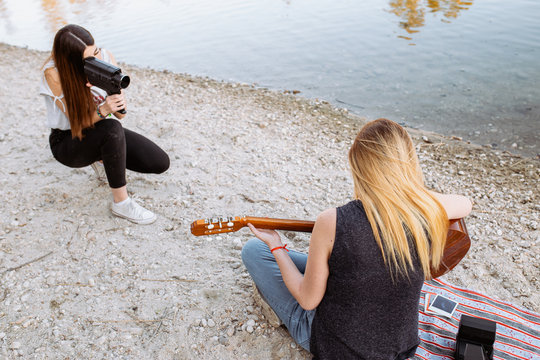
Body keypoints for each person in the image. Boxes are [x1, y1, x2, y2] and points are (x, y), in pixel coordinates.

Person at [242, 118, 472, 359]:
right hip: (400, 348)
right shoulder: (426, 210)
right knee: (336, 265)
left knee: (254, 251)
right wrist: (412, 194)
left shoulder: (332, 221)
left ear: (359, 165)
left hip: (336, 347)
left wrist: (276, 244)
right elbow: (466, 203)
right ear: (408, 164)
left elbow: (308, 301)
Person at [39, 24, 169, 224]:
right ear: (72, 61)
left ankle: (101, 157)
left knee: (160, 162)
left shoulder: (106, 58)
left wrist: (112, 92)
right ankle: (121, 203)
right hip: (68, 140)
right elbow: (78, 123)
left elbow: (120, 115)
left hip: (100, 130)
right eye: (89, 58)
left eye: (96, 51)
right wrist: (103, 110)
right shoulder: (54, 74)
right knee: (111, 128)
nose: (97, 59)